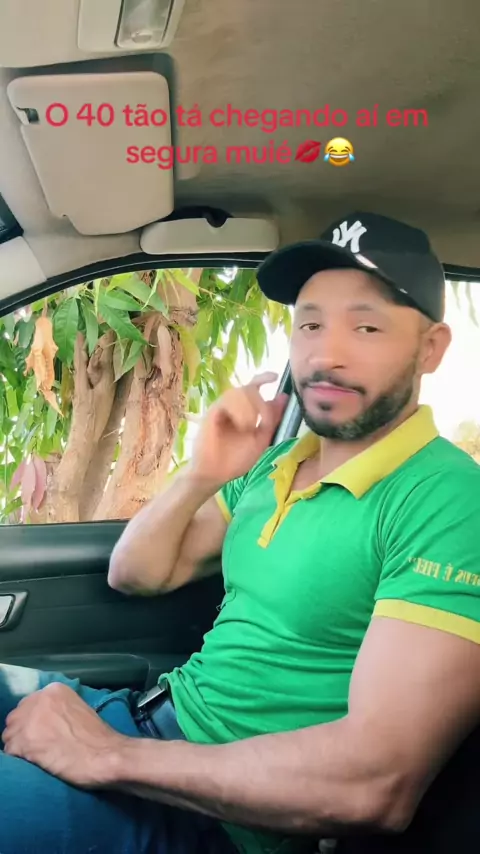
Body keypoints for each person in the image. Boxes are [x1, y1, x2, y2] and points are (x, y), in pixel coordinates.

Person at [2, 211, 480, 854]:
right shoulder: (275, 464)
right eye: (310, 324)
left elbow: (376, 784)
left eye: (366, 326)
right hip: (142, 723)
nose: (325, 354)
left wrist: (105, 756)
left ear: (431, 349)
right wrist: (202, 474)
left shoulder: (448, 500)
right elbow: (135, 574)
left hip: (212, 818)